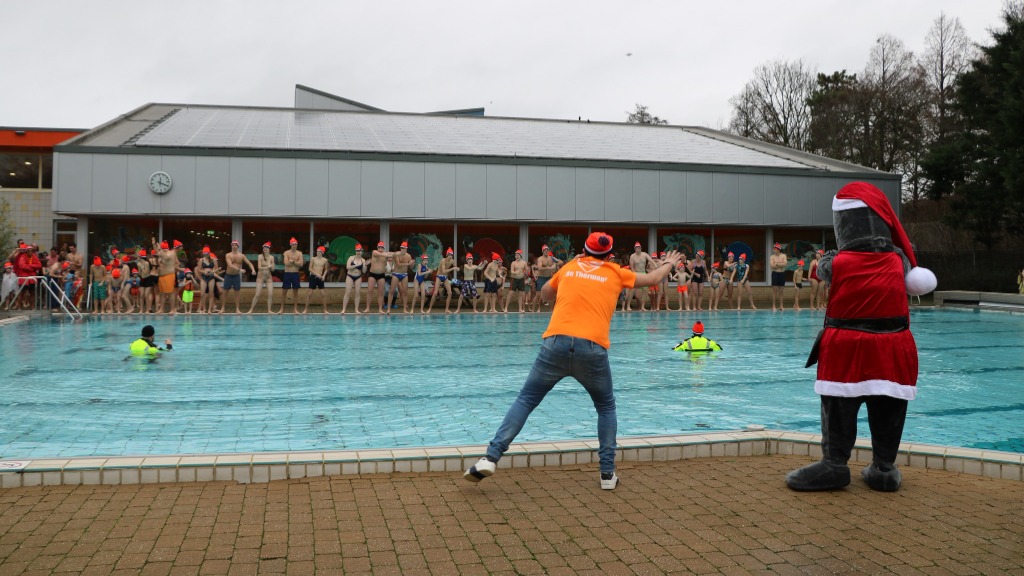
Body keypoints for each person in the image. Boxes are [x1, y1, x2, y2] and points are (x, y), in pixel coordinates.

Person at [463, 232, 684, 490]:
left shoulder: (570, 267)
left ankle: (490, 458)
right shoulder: (615, 272)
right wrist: (669, 263)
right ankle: (606, 474)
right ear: (608, 254)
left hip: (555, 344)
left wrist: (571, 267)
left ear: (583, 250)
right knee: (605, 407)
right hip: (591, 348)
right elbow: (653, 278)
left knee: (525, 400)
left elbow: (545, 294)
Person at [224, 240, 256, 313]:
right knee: (225, 292)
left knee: (237, 292)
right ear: (231, 246)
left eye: (235, 245)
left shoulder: (241, 256)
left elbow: (249, 263)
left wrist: (253, 270)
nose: (234, 246)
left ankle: (237, 309)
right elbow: (230, 265)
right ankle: (223, 308)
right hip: (228, 275)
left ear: (238, 246)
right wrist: (239, 269)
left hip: (236, 276)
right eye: (233, 245)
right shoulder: (228, 255)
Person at [247, 242, 276, 313]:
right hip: (260, 276)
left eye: (266, 248)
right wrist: (267, 266)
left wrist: (272, 266)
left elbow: (273, 269)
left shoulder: (272, 257)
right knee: (257, 294)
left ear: (269, 249)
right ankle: (251, 309)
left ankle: (269, 310)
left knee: (270, 294)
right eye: (264, 248)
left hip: (268, 277)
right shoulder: (260, 256)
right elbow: (259, 267)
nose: (265, 249)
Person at [364, 241, 392, 314]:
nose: (380, 248)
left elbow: (393, 255)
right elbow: (388, 254)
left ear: (383, 248)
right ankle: (367, 308)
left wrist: (393, 254)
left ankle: (380, 309)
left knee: (381, 293)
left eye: (381, 247)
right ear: (377, 247)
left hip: (381, 275)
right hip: (372, 274)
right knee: (370, 291)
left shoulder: (385, 255)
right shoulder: (374, 252)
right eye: (379, 247)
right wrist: (389, 254)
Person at [279, 237, 304, 314]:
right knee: (284, 292)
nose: (294, 246)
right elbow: (286, 263)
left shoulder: (299, 253)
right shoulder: (286, 253)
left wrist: (292, 261)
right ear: (290, 245)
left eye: (295, 244)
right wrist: (296, 262)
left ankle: (295, 309)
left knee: (295, 292)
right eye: (293, 244)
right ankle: (282, 309)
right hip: (287, 273)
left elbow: (301, 264)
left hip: (295, 273)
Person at [626, 242, 654, 311]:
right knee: (632, 290)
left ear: (641, 248)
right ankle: (628, 306)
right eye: (636, 248)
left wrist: (656, 266)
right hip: (636, 273)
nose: (637, 249)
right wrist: (636, 274)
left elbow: (651, 260)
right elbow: (631, 267)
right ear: (634, 249)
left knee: (645, 290)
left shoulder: (644, 254)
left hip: (643, 273)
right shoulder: (632, 256)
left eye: (638, 247)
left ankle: (642, 307)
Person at [387, 241, 413, 314]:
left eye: (404, 248)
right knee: (392, 291)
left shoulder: (408, 256)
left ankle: (404, 309)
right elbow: (398, 264)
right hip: (396, 274)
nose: (403, 250)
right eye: (402, 248)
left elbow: (411, 266)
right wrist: (408, 263)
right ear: (400, 248)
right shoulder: (396, 254)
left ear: (406, 249)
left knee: (405, 292)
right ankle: (388, 309)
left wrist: (412, 264)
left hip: (404, 274)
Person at [304, 246, 330, 314]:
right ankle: (305, 309)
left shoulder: (325, 260)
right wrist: (316, 274)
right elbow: (310, 268)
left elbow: (326, 269)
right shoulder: (313, 259)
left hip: (320, 278)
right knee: (309, 294)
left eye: (319, 251)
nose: (318, 252)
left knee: (323, 294)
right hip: (313, 277)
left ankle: (325, 310)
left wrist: (324, 275)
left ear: (322, 252)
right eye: (317, 251)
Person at [341, 244, 366, 314]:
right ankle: (343, 309)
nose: (358, 252)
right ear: (355, 251)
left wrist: (364, 266)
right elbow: (347, 267)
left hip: (358, 276)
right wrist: (356, 265)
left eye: (360, 251)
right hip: (350, 276)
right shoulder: (351, 258)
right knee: (347, 293)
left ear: (362, 252)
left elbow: (364, 271)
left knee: (357, 293)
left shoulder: (363, 260)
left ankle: (356, 310)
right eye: (357, 251)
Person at [437, 247, 460, 313]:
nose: (450, 256)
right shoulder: (443, 260)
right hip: (439, 276)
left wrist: (457, 268)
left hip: (445, 277)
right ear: (446, 255)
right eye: (449, 255)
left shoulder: (452, 261)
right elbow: (444, 271)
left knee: (450, 293)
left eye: (451, 255)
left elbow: (455, 266)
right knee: (435, 293)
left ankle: (446, 309)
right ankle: (429, 309)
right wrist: (453, 269)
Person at [769, 243, 788, 311]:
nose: (774, 250)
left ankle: (781, 306)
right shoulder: (772, 257)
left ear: (779, 249)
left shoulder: (783, 256)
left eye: (775, 248)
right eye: (774, 248)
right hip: (775, 274)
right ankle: (773, 306)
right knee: (774, 291)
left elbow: (785, 264)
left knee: (781, 291)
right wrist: (780, 264)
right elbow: (771, 266)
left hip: (782, 274)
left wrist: (776, 264)